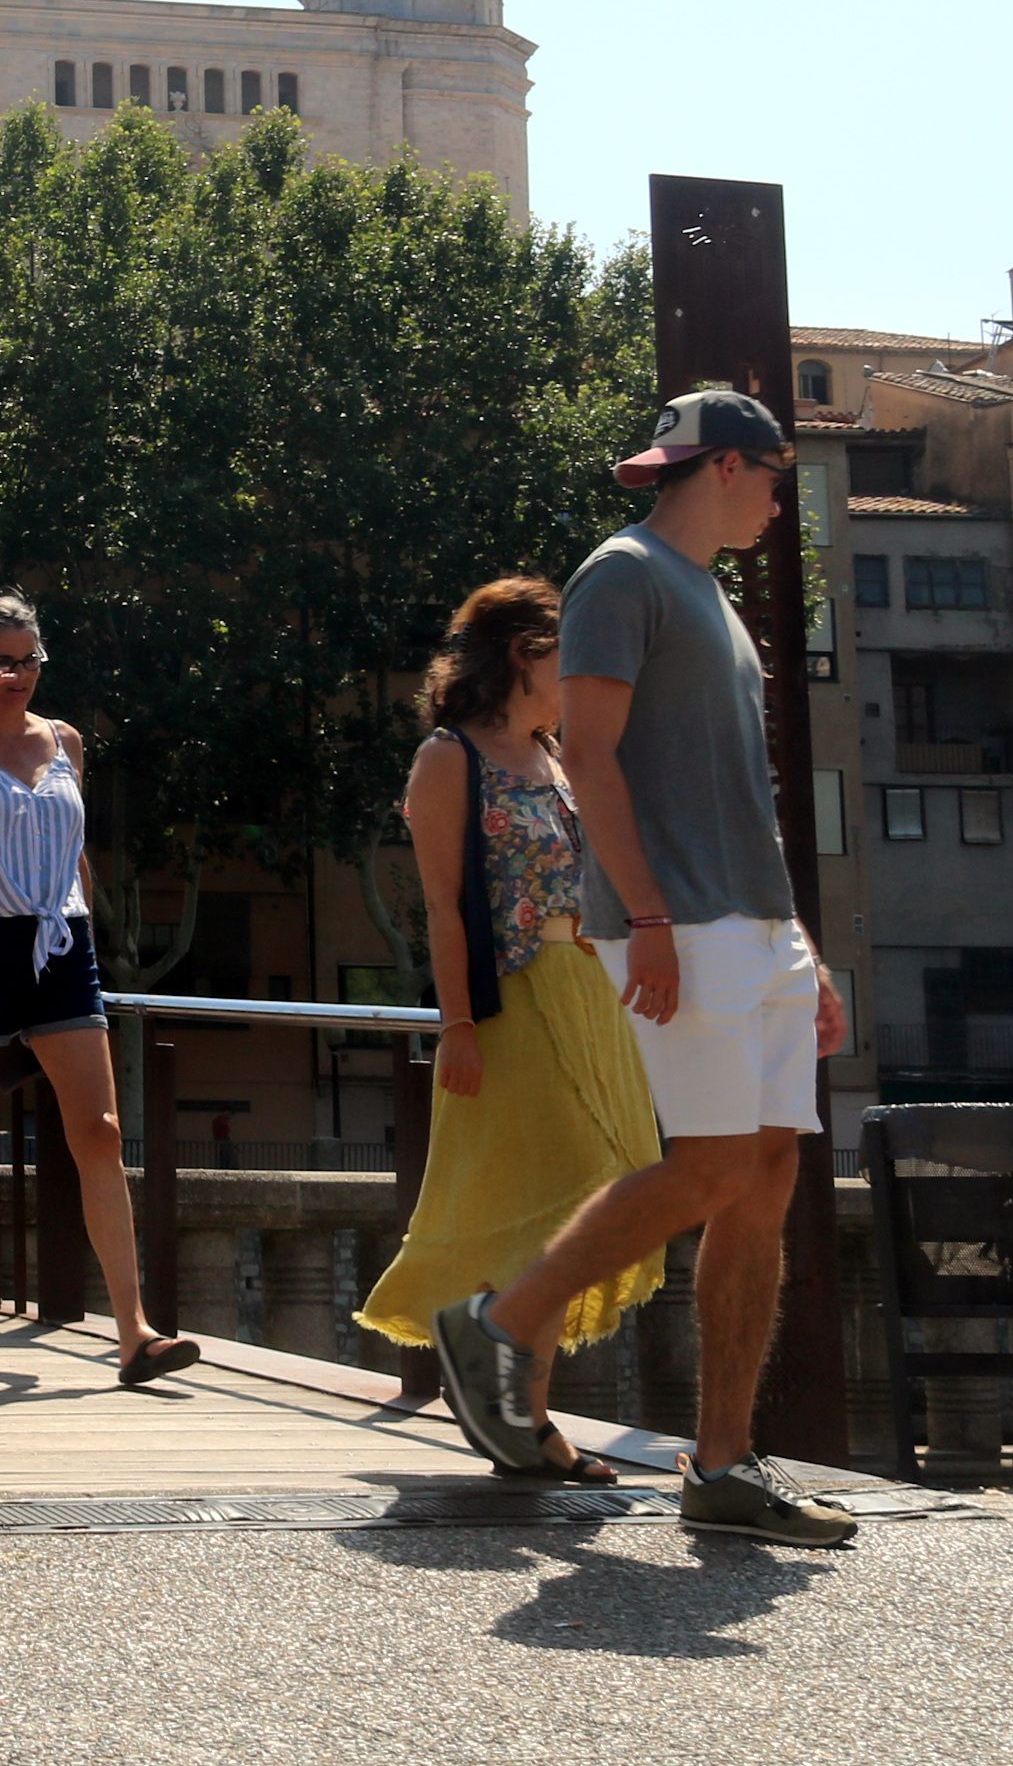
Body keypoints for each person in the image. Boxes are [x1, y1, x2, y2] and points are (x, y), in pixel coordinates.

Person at [433, 388, 859, 1546]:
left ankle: (724, 1464)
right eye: (777, 475)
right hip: (687, 922)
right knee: (713, 1167)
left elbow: (744, 794)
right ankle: (501, 1319)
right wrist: (655, 919)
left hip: (753, 925)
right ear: (727, 465)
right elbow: (597, 754)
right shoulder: (619, 574)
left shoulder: (711, 597)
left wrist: (803, 949)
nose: (782, 500)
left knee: (764, 1178)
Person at [353, 579, 663, 1480]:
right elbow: (444, 910)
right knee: (552, 1191)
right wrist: (458, 1024)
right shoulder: (450, 758)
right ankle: (511, 1404)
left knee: (588, 1198)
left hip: (591, 995)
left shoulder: (560, 756)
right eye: (571, 652)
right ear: (526, 653)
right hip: (516, 999)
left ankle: (522, 1417)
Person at [0, 595, 197, 1387]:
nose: (19, 676)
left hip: (60, 941)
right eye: (2, 661)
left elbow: (68, 848)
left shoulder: (65, 739)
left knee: (99, 1131)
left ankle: (134, 1331)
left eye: (30, 660)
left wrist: (86, 930)